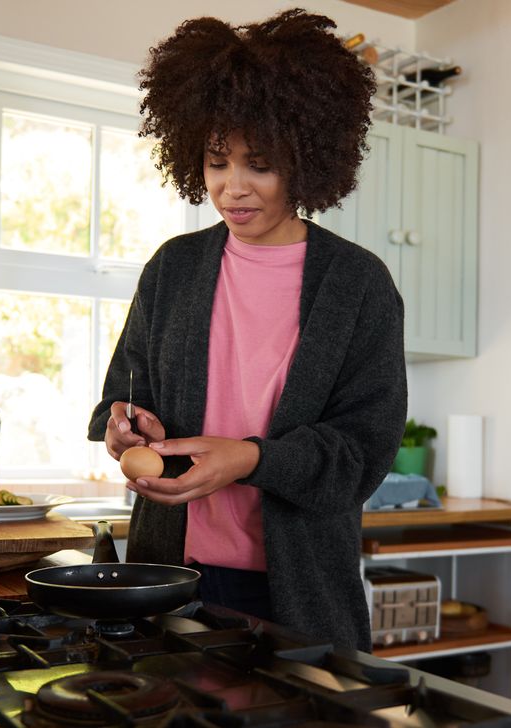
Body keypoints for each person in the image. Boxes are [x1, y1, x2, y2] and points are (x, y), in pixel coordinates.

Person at [87, 8, 406, 652]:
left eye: (258, 164)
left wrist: (251, 458)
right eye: (215, 163)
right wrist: (124, 429)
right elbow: (120, 398)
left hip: (299, 592)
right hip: (169, 580)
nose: (233, 188)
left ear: (307, 159)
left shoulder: (358, 284)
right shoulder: (173, 268)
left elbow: (360, 456)